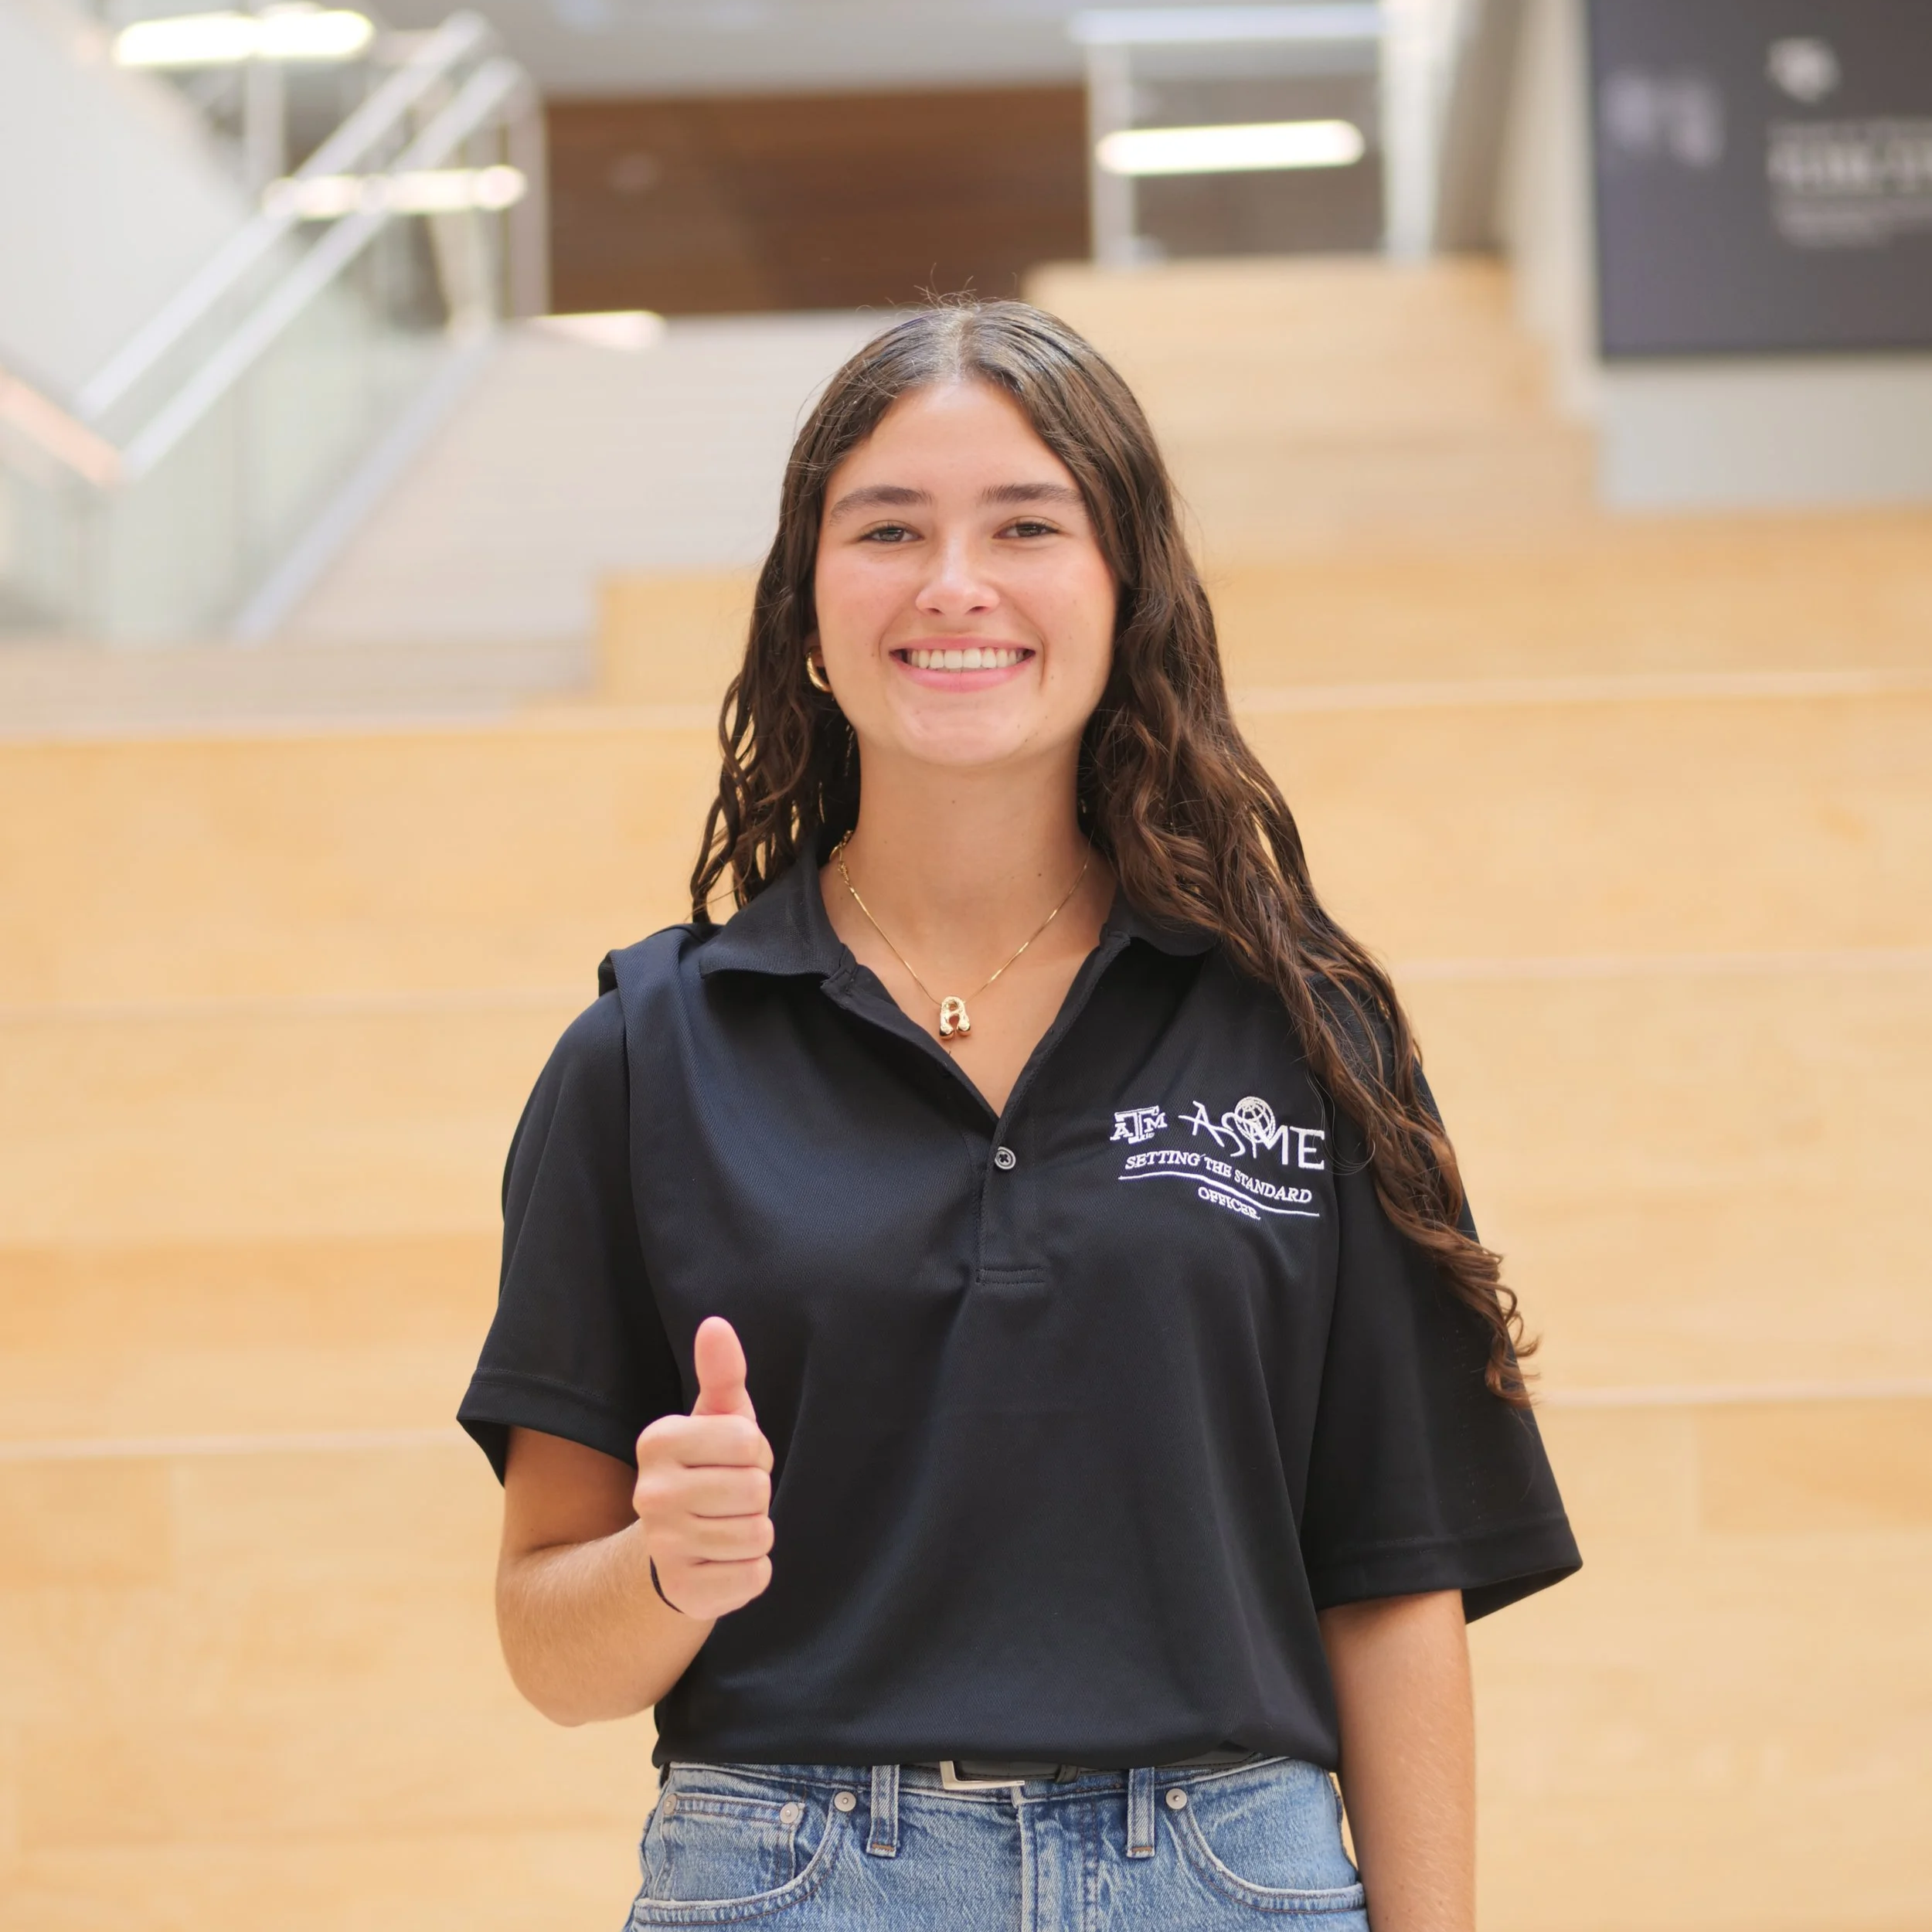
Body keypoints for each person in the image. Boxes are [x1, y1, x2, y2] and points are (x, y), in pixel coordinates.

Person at [459, 300, 1580, 1932]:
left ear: (1124, 585)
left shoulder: (1301, 1033)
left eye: (1024, 524)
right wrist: (664, 1564)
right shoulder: (646, 1053)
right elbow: (544, 1641)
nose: (952, 583)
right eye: (888, 528)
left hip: (1231, 1872)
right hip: (789, 1875)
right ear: (807, 598)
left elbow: (1395, 1584)